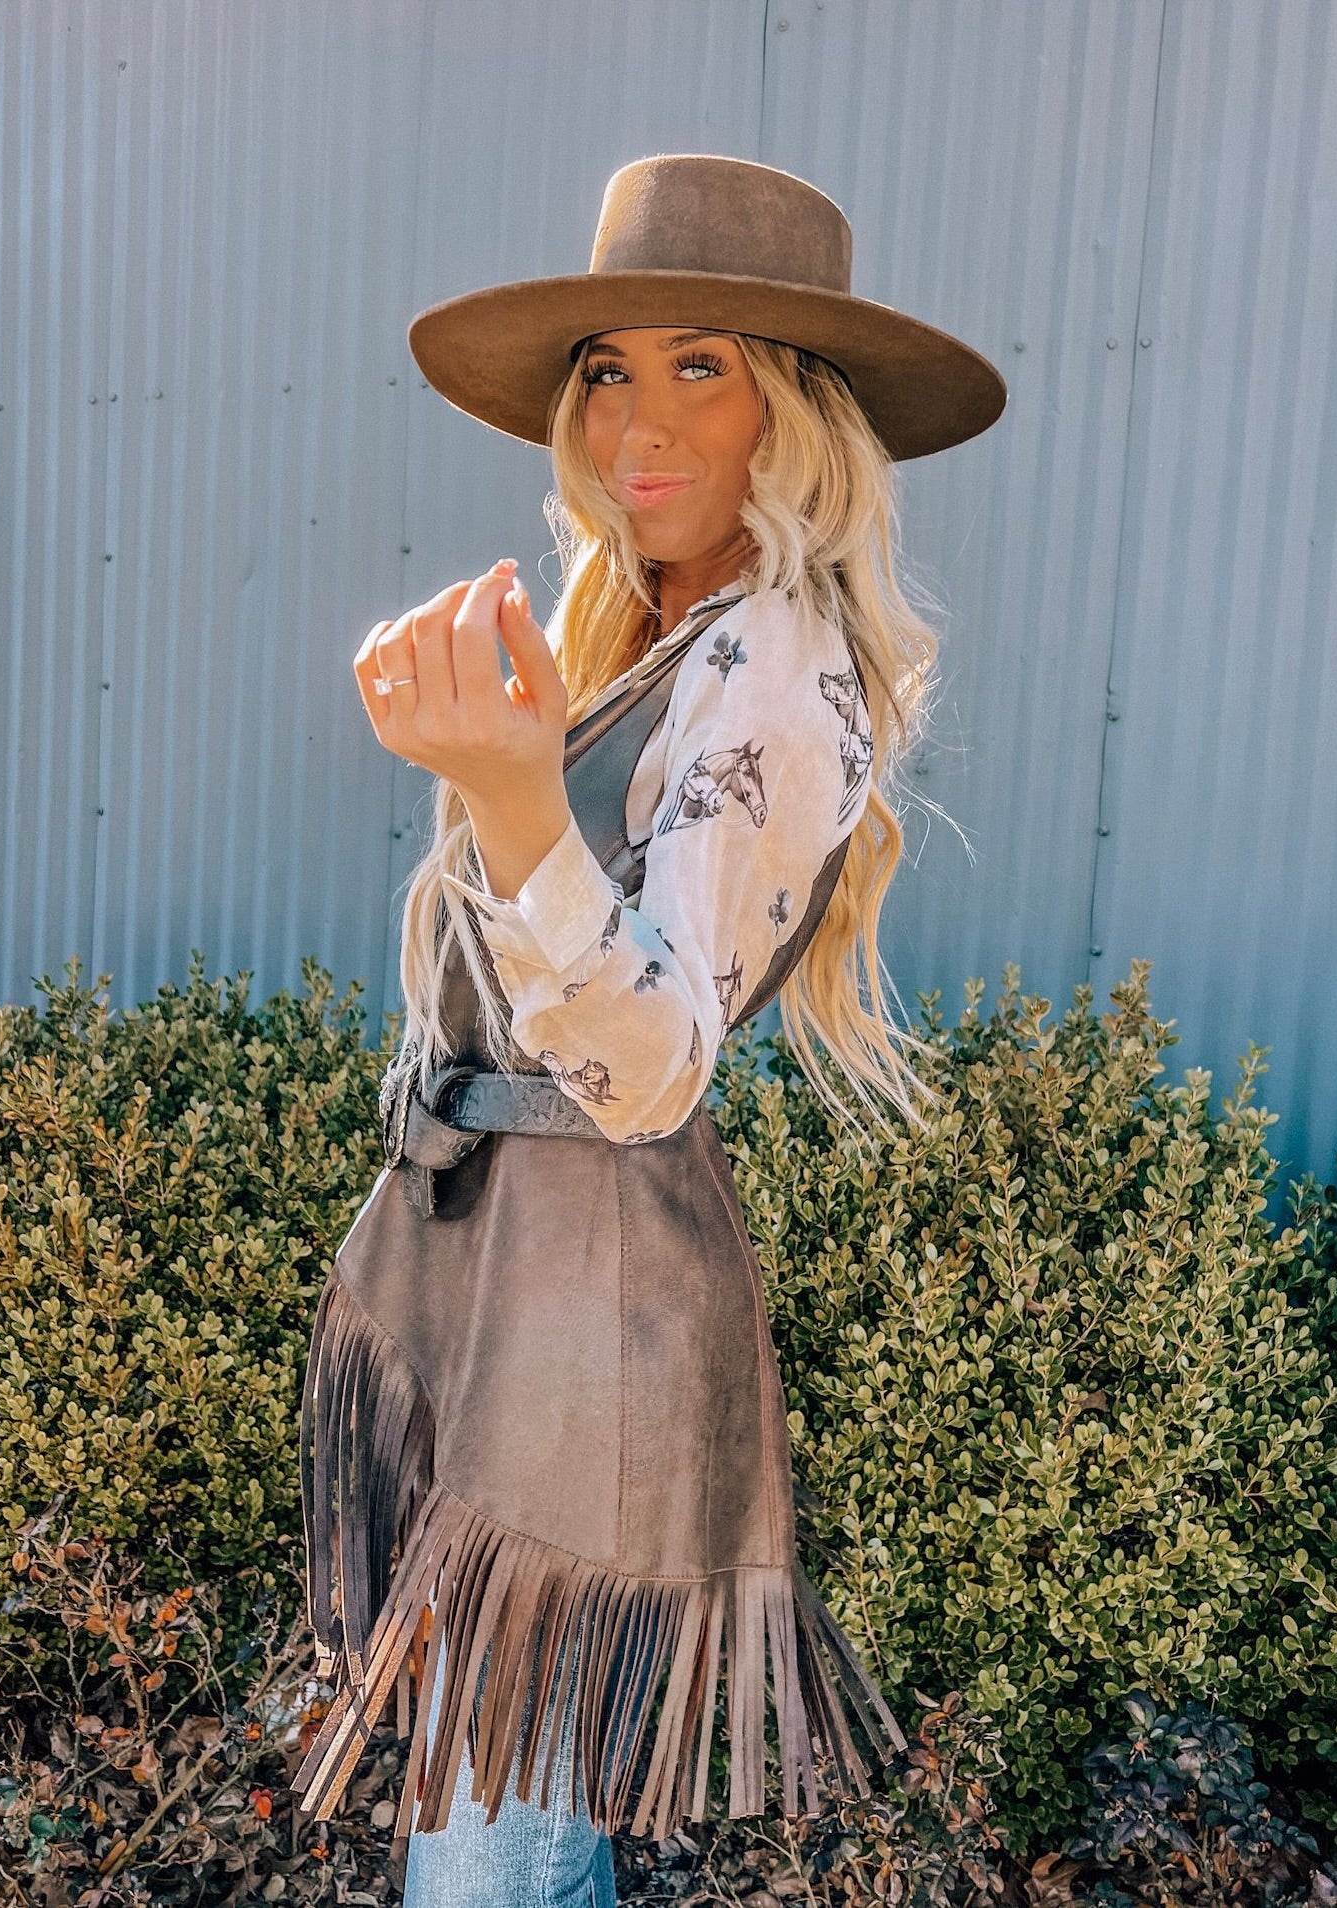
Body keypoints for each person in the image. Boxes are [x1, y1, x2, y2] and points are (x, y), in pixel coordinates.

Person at [288, 154, 1006, 1907]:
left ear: (797, 415)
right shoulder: (656, 636)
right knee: (503, 1831)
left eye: (705, 365)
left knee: (495, 1851)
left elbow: (654, 1064)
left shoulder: (779, 660)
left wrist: (511, 797)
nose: (639, 419)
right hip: (514, 1282)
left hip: (593, 1329)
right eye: (608, 370)